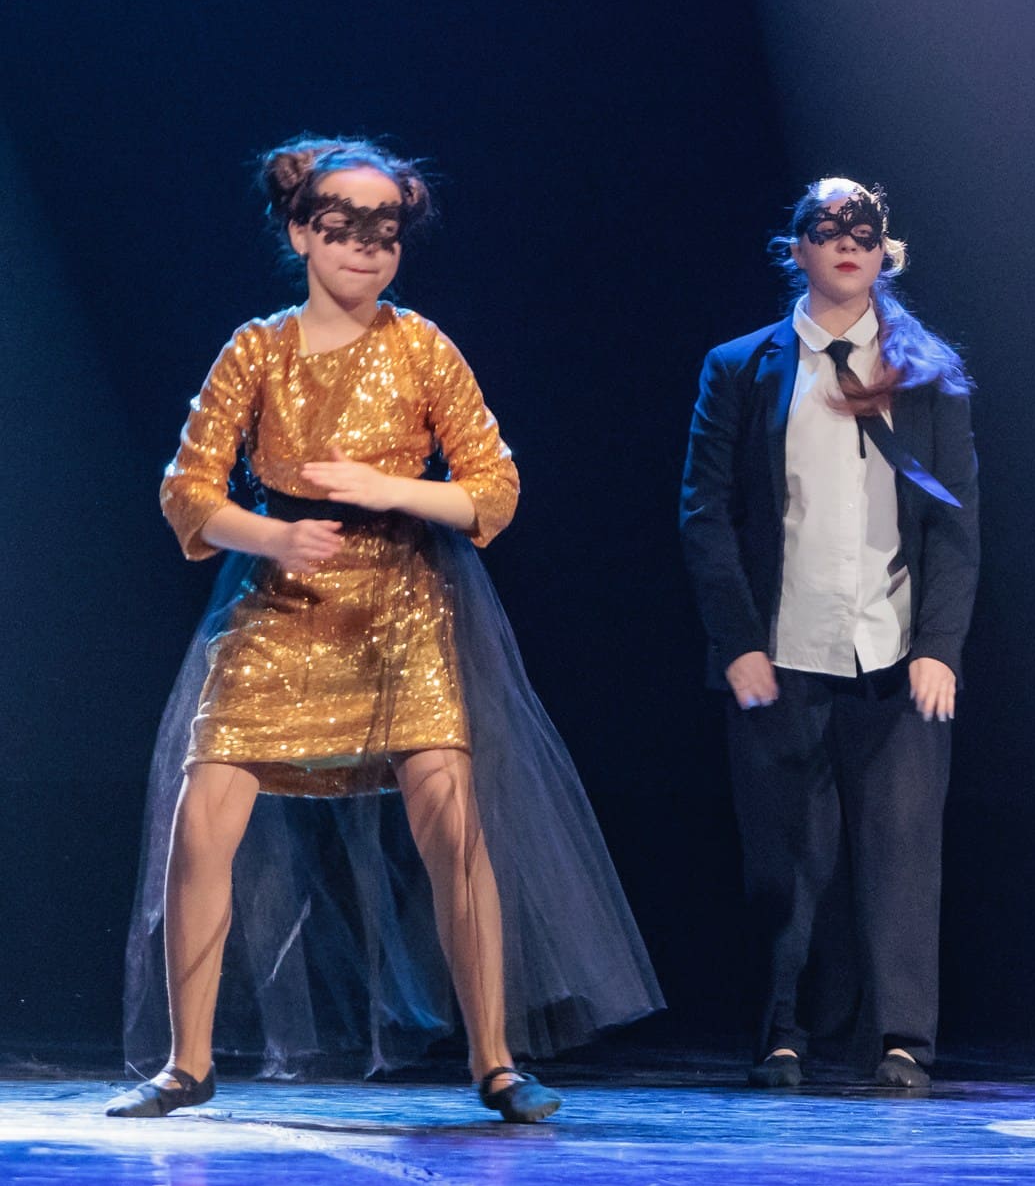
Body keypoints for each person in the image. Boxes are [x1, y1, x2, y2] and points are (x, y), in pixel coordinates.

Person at [110, 137, 661, 1122]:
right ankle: (187, 1061)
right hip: (280, 604)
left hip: (401, 606)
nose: (366, 248)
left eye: (386, 231)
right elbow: (187, 491)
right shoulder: (256, 349)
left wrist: (390, 488)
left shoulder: (421, 346)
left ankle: (495, 1060)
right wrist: (274, 535)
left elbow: (494, 487)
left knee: (453, 825)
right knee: (203, 820)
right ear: (301, 234)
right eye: (343, 228)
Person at [680, 178, 980, 1092]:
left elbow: (955, 523)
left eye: (865, 230)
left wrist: (939, 646)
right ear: (799, 249)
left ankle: (902, 1039)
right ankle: (784, 1031)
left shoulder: (926, 375)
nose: (848, 241)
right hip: (782, 650)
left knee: (902, 850)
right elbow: (705, 514)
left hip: (894, 648)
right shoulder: (741, 367)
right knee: (787, 856)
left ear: (885, 252)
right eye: (828, 228)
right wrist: (738, 640)